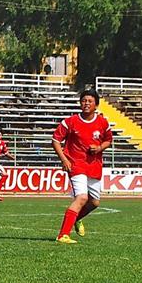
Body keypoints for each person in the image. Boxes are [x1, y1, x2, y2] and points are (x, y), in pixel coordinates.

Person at [53, 88, 113, 244]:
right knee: (81, 197)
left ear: (96, 105)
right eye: (84, 101)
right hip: (76, 164)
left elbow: (108, 140)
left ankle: (76, 219)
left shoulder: (102, 122)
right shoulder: (70, 121)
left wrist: (100, 148)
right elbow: (55, 140)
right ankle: (62, 235)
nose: (86, 103)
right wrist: (64, 159)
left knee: (94, 202)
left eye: (90, 101)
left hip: (94, 166)